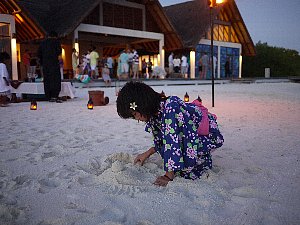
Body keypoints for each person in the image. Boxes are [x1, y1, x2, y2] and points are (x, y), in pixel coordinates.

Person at [116, 81, 224, 186]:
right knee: (176, 159)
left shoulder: (170, 107)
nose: (137, 119)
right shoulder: (155, 112)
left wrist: (168, 175)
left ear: (142, 105)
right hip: (188, 133)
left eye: (135, 114)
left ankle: (203, 156)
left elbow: (172, 140)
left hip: (206, 133)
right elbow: (162, 138)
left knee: (188, 171)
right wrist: (147, 153)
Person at [38, 31, 63, 103]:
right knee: (55, 79)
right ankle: (54, 95)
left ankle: (48, 96)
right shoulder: (56, 42)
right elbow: (59, 51)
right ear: (55, 36)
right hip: (54, 63)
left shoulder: (42, 43)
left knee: (47, 79)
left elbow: (39, 54)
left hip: (45, 64)